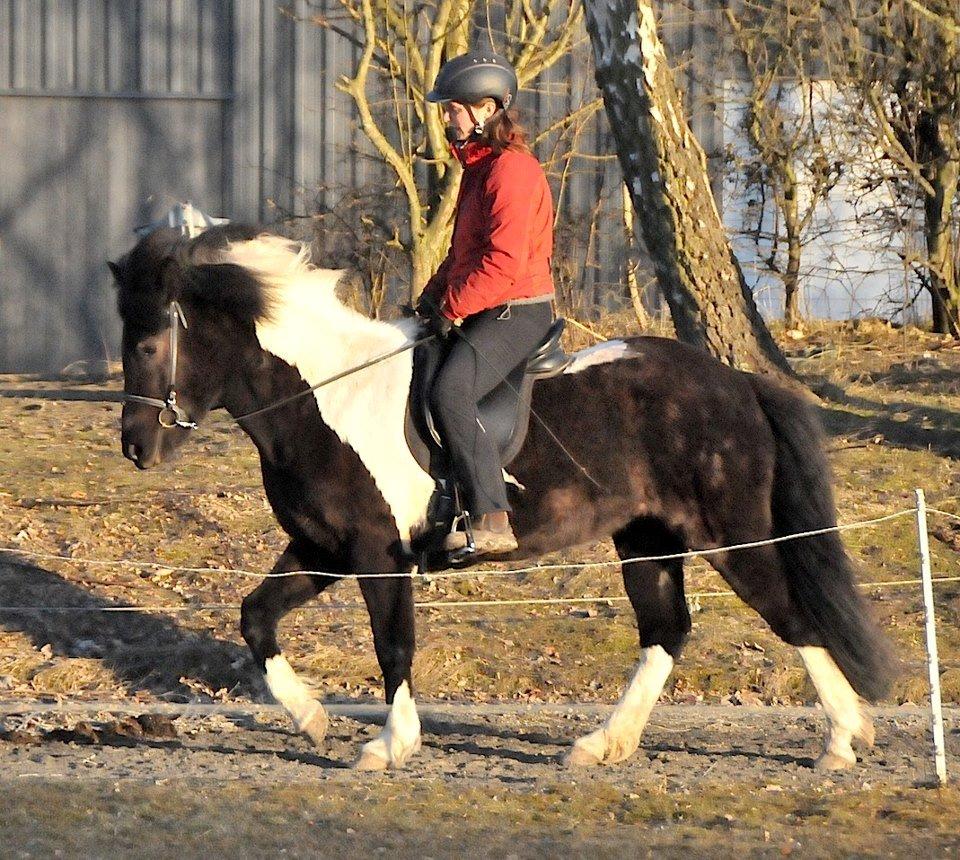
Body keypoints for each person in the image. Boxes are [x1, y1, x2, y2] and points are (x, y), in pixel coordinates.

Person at [418, 51, 556, 555]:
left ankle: (492, 516)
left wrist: (452, 307)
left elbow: (502, 263)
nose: (446, 119)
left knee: (450, 391)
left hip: (517, 310)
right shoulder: (479, 170)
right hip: (486, 302)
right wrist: (432, 296)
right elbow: (465, 254)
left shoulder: (511, 172)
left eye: (453, 109)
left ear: (485, 109)